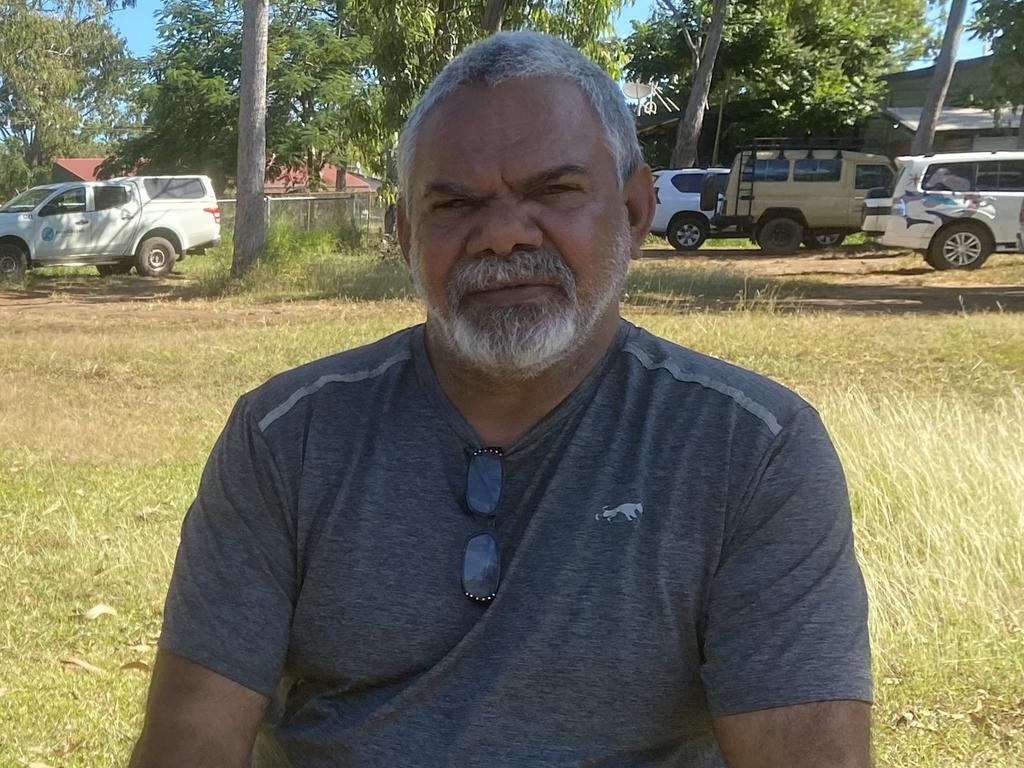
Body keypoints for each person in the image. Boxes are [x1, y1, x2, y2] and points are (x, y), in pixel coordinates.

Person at [130, 31, 872, 768]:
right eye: (453, 204)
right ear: (403, 235)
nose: (504, 236)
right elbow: (191, 740)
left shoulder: (753, 451)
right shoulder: (285, 437)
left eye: (555, 192)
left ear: (636, 209)